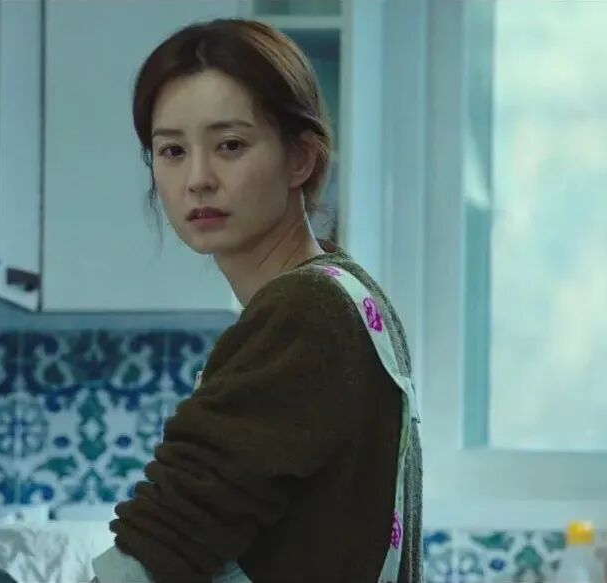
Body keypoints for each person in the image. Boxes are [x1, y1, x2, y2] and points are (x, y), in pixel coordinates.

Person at [90, 18, 422, 583]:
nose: (198, 179)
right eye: (172, 150)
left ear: (301, 159)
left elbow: (167, 541)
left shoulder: (306, 310)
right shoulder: (351, 293)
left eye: (231, 145)